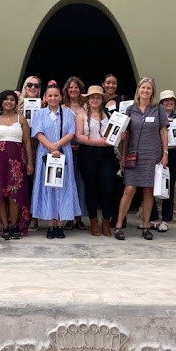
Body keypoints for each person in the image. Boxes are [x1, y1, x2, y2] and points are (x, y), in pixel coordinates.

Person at [114, 76, 168, 241]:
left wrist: (165, 154)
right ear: (138, 90)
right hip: (133, 154)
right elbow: (127, 134)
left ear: (152, 92)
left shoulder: (158, 109)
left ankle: (146, 226)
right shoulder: (131, 109)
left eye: (149, 88)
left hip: (152, 154)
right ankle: (118, 225)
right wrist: (122, 155)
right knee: (129, 189)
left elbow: (163, 131)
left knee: (148, 191)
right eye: (143, 87)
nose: (145, 90)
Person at [31, 82, 80, 239]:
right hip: (45, 154)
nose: (53, 98)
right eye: (50, 95)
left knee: (62, 186)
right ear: (45, 97)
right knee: (48, 186)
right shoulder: (39, 113)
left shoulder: (68, 113)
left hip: (63, 153)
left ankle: (60, 225)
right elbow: (38, 132)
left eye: (55, 95)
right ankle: (50, 225)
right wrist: (51, 147)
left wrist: (57, 145)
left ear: (60, 97)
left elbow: (71, 133)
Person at [0, 90, 33, 240]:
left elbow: (27, 142)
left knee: (14, 195)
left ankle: (14, 225)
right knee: (0, 195)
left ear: (16, 102)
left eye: (12, 99)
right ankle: (5, 226)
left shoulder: (21, 120)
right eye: (5, 99)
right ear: (1, 102)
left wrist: (30, 162)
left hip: (16, 163)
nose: (9, 102)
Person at [147, 89, 176, 232]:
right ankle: (152, 218)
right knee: (150, 186)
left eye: (171, 100)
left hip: (174, 156)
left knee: (168, 188)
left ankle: (166, 220)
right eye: (166, 100)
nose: (169, 102)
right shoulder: (155, 117)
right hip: (157, 154)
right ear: (161, 103)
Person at [75, 85, 113, 236]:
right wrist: (98, 142)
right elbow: (78, 136)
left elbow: (114, 135)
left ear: (102, 99)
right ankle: (93, 221)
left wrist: (119, 137)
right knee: (91, 188)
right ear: (88, 99)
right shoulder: (81, 116)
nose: (95, 99)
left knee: (108, 188)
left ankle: (106, 220)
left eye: (98, 97)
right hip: (88, 153)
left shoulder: (109, 116)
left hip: (107, 154)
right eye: (92, 97)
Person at [101, 73, 130, 228]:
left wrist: (124, 153)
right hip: (103, 147)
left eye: (114, 83)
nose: (111, 86)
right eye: (108, 83)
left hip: (119, 146)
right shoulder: (98, 100)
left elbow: (129, 125)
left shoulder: (124, 101)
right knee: (107, 185)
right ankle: (107, 215)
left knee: (118, 185)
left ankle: (120, 217)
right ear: (103, 84)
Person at [62, 76, 87, 231]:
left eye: (76, 87)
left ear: (80, 90)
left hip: (84, 150)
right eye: (70, 87)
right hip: (66, 150)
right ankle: (68, 218)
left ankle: (79, 218)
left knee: (81, 184)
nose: (73, 90)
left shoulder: (86, 108)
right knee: (67, 184)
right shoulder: (61, 107)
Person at [17, 76, 42, 230]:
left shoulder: (44, 106)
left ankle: (34, 216)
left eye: (36, 85)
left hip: (37, 147)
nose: (33, 87)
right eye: (29, 85)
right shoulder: (16, 105)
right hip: (19, 147)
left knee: (34, 183)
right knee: (20, 183)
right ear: (25, 87)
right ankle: (20, 216)